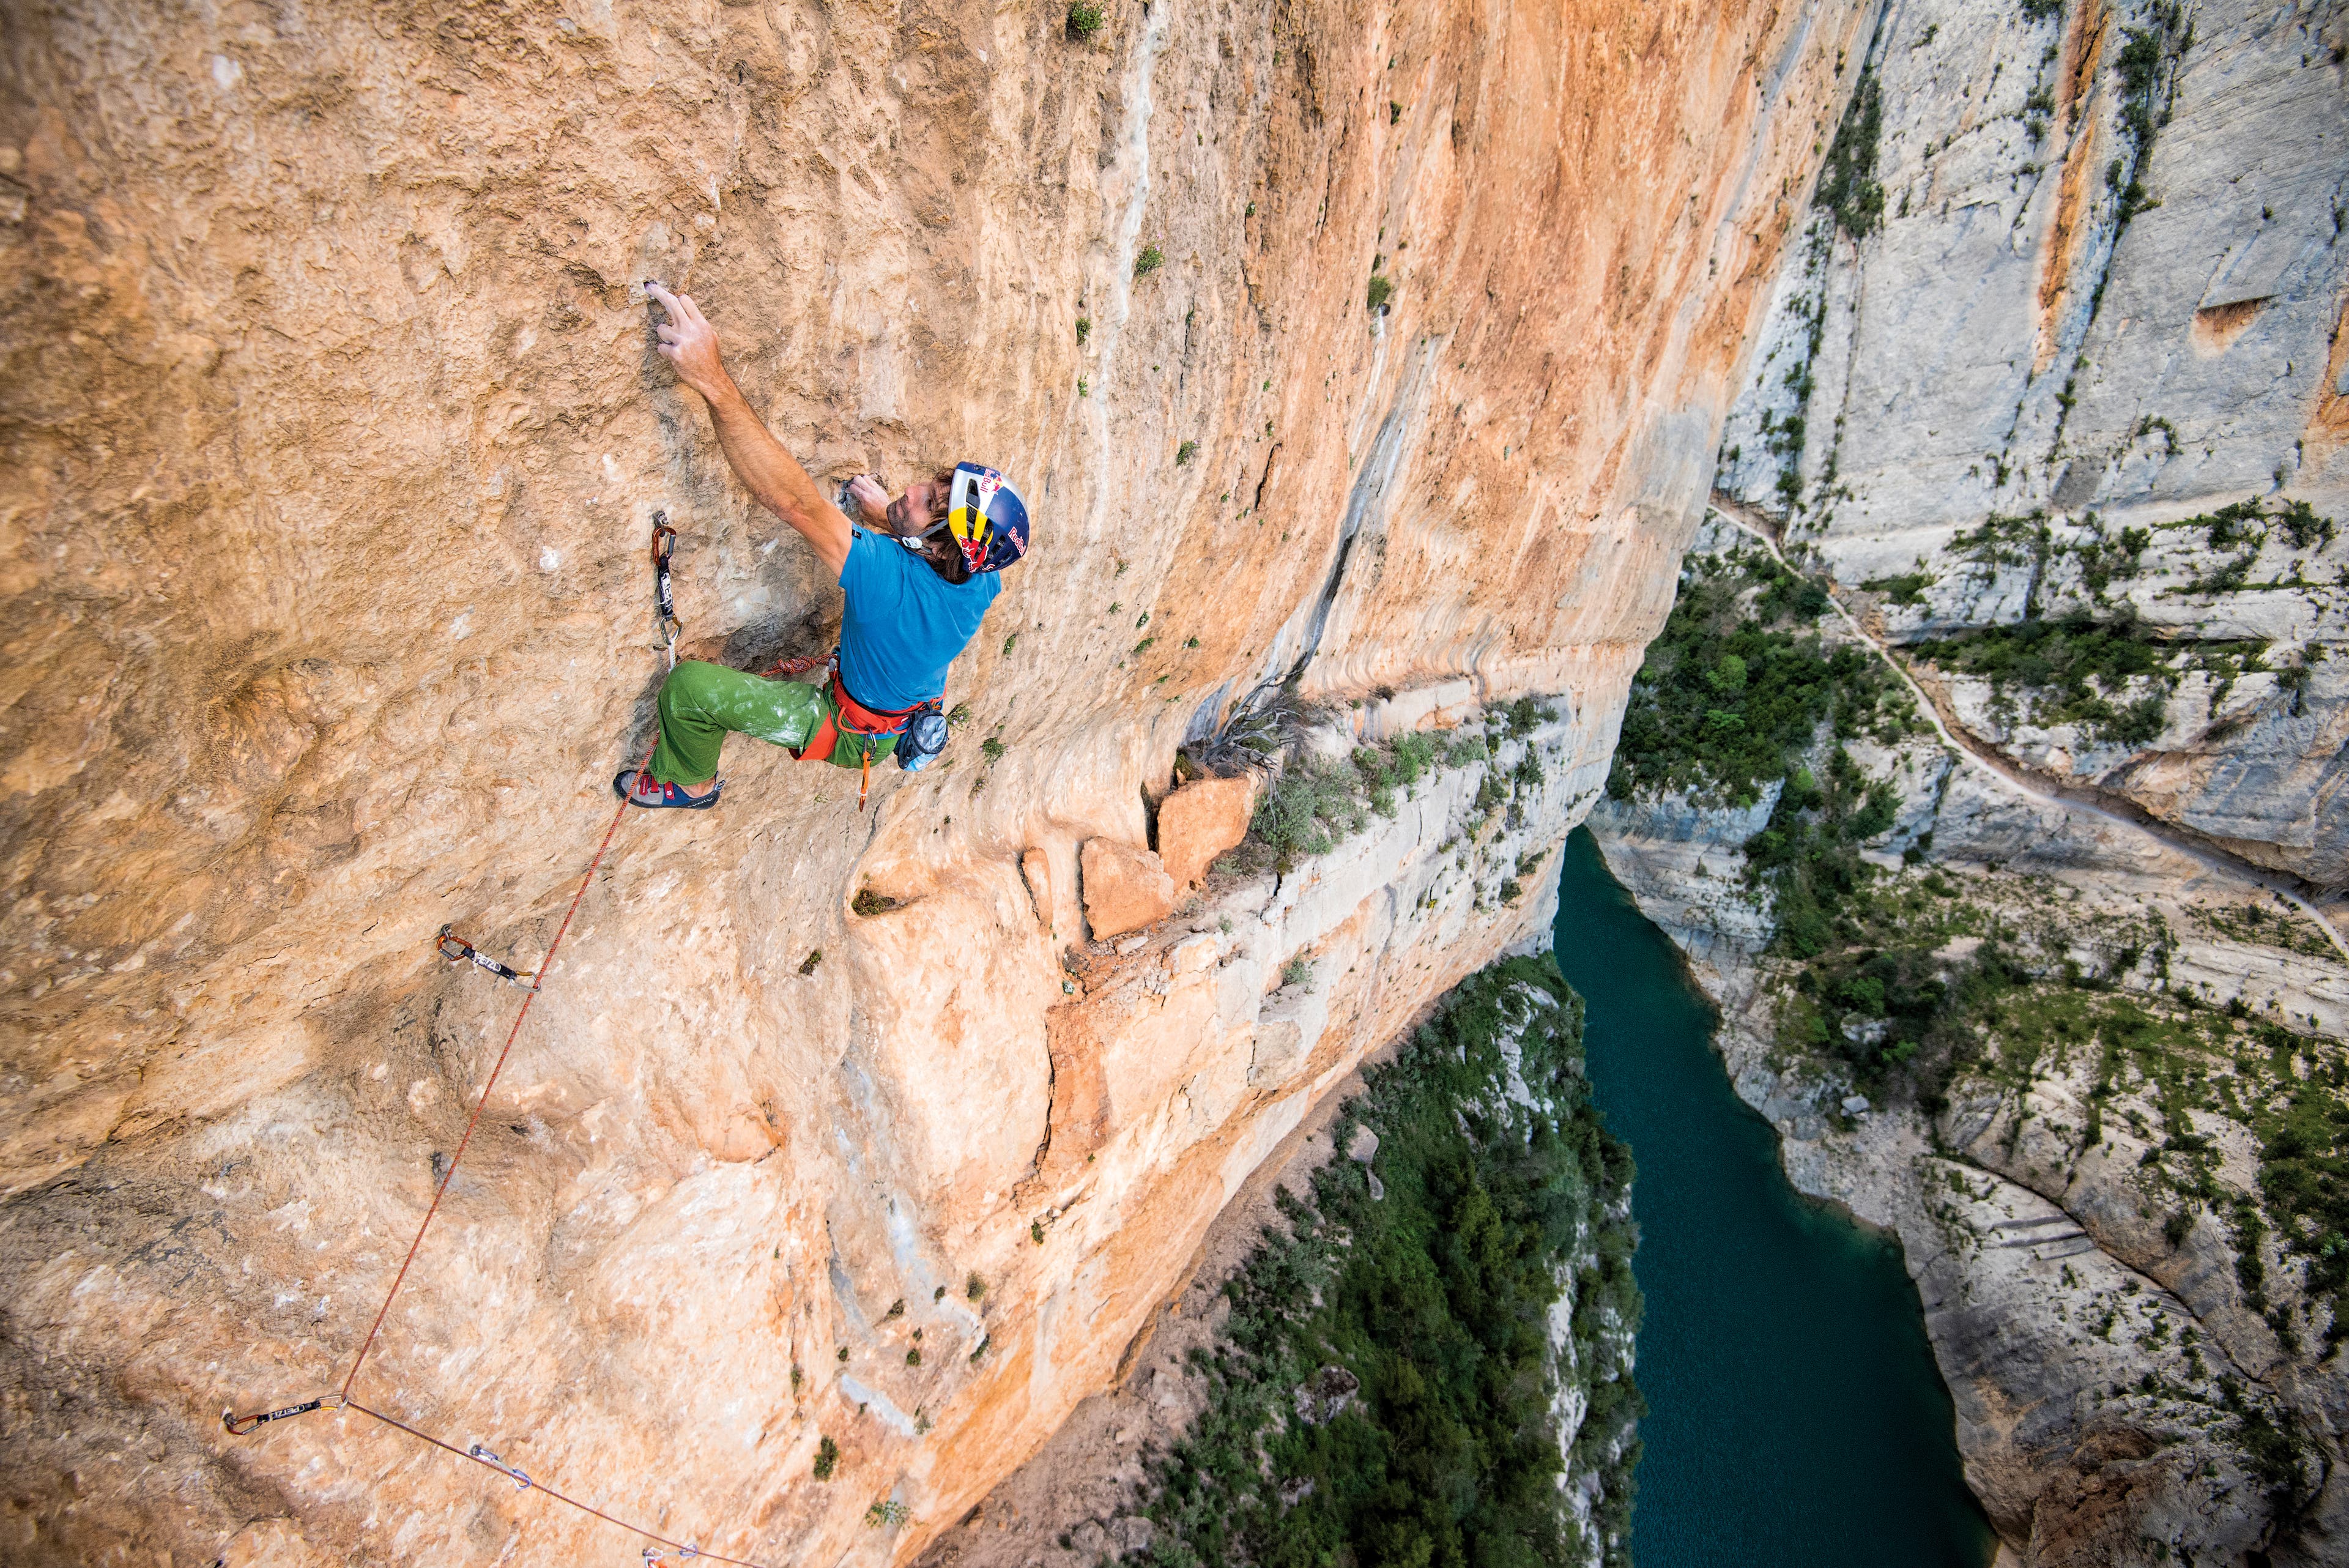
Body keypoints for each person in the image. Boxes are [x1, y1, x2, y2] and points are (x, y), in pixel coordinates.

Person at [616, 282, 1029, 809]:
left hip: (847, 729)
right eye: (935, 486)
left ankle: (689, 784)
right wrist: (893, 517)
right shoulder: (982, 574)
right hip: (903, 715)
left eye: (930, 504)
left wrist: (713, 380)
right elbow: (934, 551)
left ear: (937, 547)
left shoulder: (885, 578)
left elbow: (793, 502)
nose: (913, 490)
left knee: (689, 690)